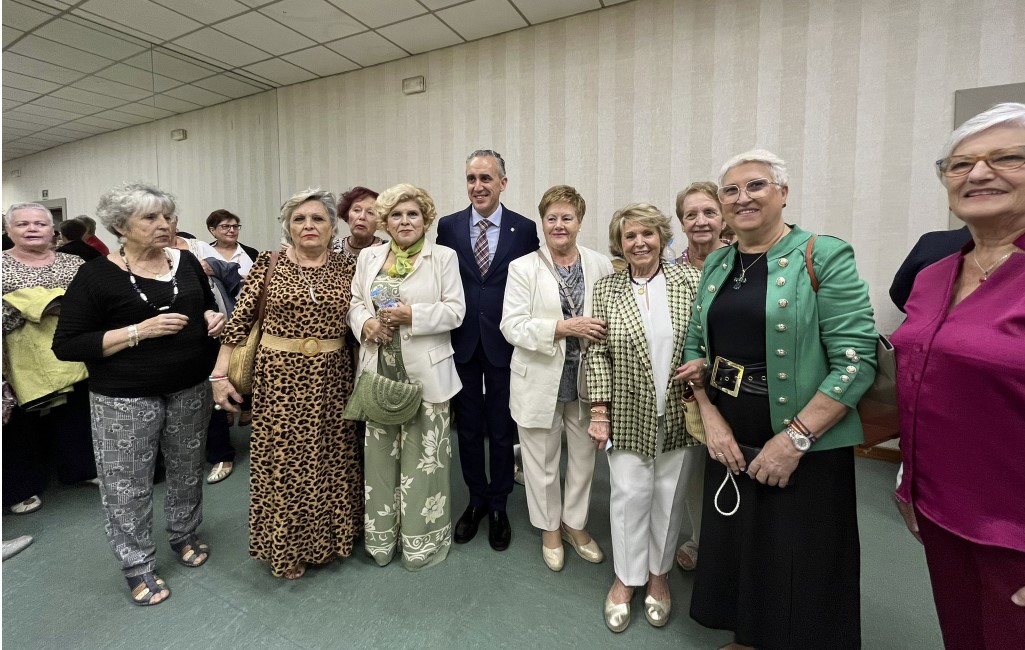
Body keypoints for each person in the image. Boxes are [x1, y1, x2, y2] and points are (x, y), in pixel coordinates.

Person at [676, 149, 877, 649]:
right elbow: (695, 344)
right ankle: (748, 637)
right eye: (731, 190)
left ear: (782, 193)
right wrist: (709, 414)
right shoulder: (720, 262)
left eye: (756, 186)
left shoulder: (823, 254)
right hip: (729, 424)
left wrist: (795, 439)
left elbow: (857, 363)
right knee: (741, 542)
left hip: (802, 430)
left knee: (797, 549)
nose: (742, 198)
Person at [892, 102, 1025, 649]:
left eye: (1007, 158)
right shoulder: (933, 274)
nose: (978, 173)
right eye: (960, 164)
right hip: (942, 510)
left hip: (1013, 529)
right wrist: (910, 481)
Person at [53, 183, 223, 606]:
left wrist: (209, 316)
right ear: (119, 226)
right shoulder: (95, 274)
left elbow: (198, 305)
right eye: (150, 218)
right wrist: (136, 332)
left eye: (166, 216)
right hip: (124, 397)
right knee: (126, 485)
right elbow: (68, 344)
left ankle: (184, 534)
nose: (163, 224)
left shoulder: (185, 262)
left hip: (189, 387)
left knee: (187, 470)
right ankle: (137, 564)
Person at [210, 188, 362, 580]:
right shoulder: (268, 263)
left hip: (334, 378)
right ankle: (287, 548)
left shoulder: (349, 268)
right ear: (287, 227)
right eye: (299, 219)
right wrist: (219, 374)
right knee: (284, 465)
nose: (309, 226)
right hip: (279, 380)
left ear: (333, 227)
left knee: (332, 460)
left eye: (318, 219)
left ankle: (330, 541)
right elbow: (240, 321)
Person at [586, 203, 702, 632]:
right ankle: (626, 578)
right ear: (620, 243)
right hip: (626, 410)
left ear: (662, 238)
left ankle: (658, 575)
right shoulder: (606, 288)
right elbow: (596, 353)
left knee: (669, 499)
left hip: (679, 409)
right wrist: (600, 412)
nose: (639, 243)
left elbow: (703, 338)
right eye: (630, 236)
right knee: (629, 496)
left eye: (647, 234)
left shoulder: (689, 280)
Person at [348, 183, 465, 570]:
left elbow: (455, 311)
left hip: (426, 376)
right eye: (396, 215)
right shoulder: (369, 257)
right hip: (378, 372)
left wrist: (411, 315)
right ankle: (381, 541)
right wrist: (365, 323)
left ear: (426, 219)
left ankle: (421, 543)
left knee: (423, 462)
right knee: (380, 462)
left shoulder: (443, 257)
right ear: (385, 221)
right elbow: (355, 302)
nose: (404, 221)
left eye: (412, 214)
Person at [499, 185, 613, 571]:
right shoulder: (523, 267)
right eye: (552, 218)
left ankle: (575, 525)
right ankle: (549, 528)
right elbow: (511, 326)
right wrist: (564, 327)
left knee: (583, 459)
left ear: (580, 222)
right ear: (542, 223)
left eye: (567, 217)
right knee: (541, 462)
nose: (559, 225)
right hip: (539, 377)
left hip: (587, 380)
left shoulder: (600, 264)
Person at [436, 149, 539, 551]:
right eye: (471, 179)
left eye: (486, 178)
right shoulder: (448, 226)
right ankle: (475, 500)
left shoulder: (525, 229)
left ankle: (499, 504)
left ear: (502, 183)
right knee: (469, 428)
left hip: (504, 343)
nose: (477, 186)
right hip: (462, 341)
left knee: (500, 428)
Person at [3, 204, 96, 516]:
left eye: (40, 223)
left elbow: (94, 299)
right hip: (19, 356)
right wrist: (37, 306)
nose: (32, 229)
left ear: (52, 230)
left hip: (74, 350)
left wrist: (63, 307)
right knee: (21, 424)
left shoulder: (74, 261)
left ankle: (79, 469)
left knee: (77, 413)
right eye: (23, 224)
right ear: (8, 230)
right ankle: (21, 486)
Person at [672, 181, 731, 572]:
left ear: (723, 217)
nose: (700, 221)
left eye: (709, 212)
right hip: (686, 388)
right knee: (693, 468)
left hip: (734, 384)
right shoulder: (671, 270)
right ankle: (699, 538)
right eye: (691, 214)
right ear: (681, 222)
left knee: (734, 465)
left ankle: (734, 546)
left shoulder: (741, 264)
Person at [888, 225, 972, 312]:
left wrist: (919, 313)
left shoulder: (932, 241)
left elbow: (898, 292)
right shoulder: (932, 242)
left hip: (923, 319)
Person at [333, 186, 386, 261]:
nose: (362, 217)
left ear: (379, 222)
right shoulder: (332, 248)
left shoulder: (386, 251)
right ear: (347, 216)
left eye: (370, 212)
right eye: (357, 210)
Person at [206, 209, 258, 277]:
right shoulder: (204, 252)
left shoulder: (252, 253)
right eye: (225, 226)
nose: (232, 230)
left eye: (235, 226)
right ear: (212, 230)